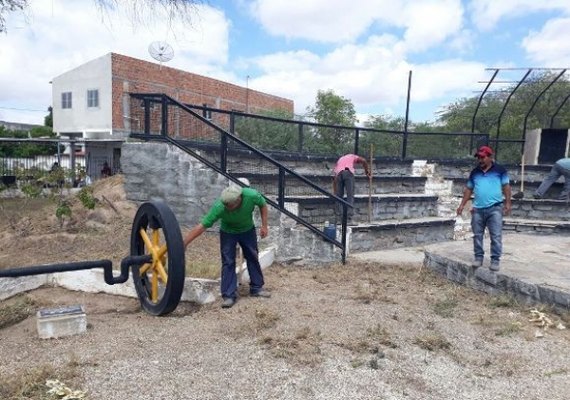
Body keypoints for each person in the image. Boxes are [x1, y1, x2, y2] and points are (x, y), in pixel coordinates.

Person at [183, 185, 270, 308]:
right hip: (228, 232)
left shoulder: (251, 195)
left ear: (239, 199)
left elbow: (263, 204)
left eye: (230, 205)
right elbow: (202, 226)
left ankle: (257, 288)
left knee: (252, 256)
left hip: (247, 230)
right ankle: (229, 295)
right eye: (226, 205)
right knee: (228, 262)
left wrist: (264, 225)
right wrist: (185, 242)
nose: (227, 207)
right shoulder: (220, 207)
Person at [456, 145, 512, 272]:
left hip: (495, 208)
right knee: (477, 235)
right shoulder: (475, 172)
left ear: (490, 157)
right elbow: (469, 189)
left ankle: (495, 260)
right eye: (478, 158)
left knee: (496, 236)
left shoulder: (500, 170)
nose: (480, 160)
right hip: (478, 209)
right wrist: (462, 205)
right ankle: (478, 257)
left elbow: (506, 187)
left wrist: (508, 203)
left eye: (482, 157)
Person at [333, 154, 371, 221]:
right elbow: (364, 160)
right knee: (350, 195)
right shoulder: (352, 156)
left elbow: (335, 178)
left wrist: (335, 192)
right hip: (348, 172)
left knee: (338, 197)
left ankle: (340, 218)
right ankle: (349, 218)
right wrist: (366, 171)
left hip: (339, 174)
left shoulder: (340, 159)